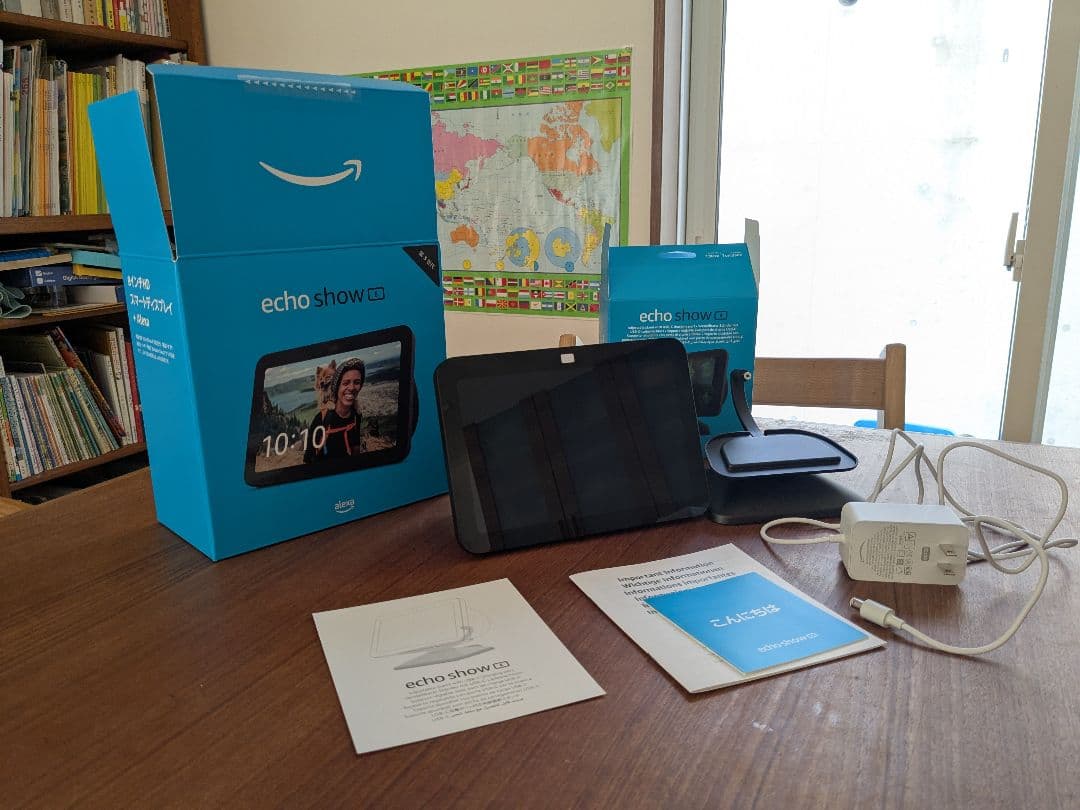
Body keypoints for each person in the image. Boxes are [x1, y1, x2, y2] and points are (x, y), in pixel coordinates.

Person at [304, 357, 366, 462]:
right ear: (337, 385)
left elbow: (356, 446)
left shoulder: (356, 415)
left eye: (357, 382)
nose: (351, 388)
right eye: (345, 383)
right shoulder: (320, 419)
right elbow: (308, 458)